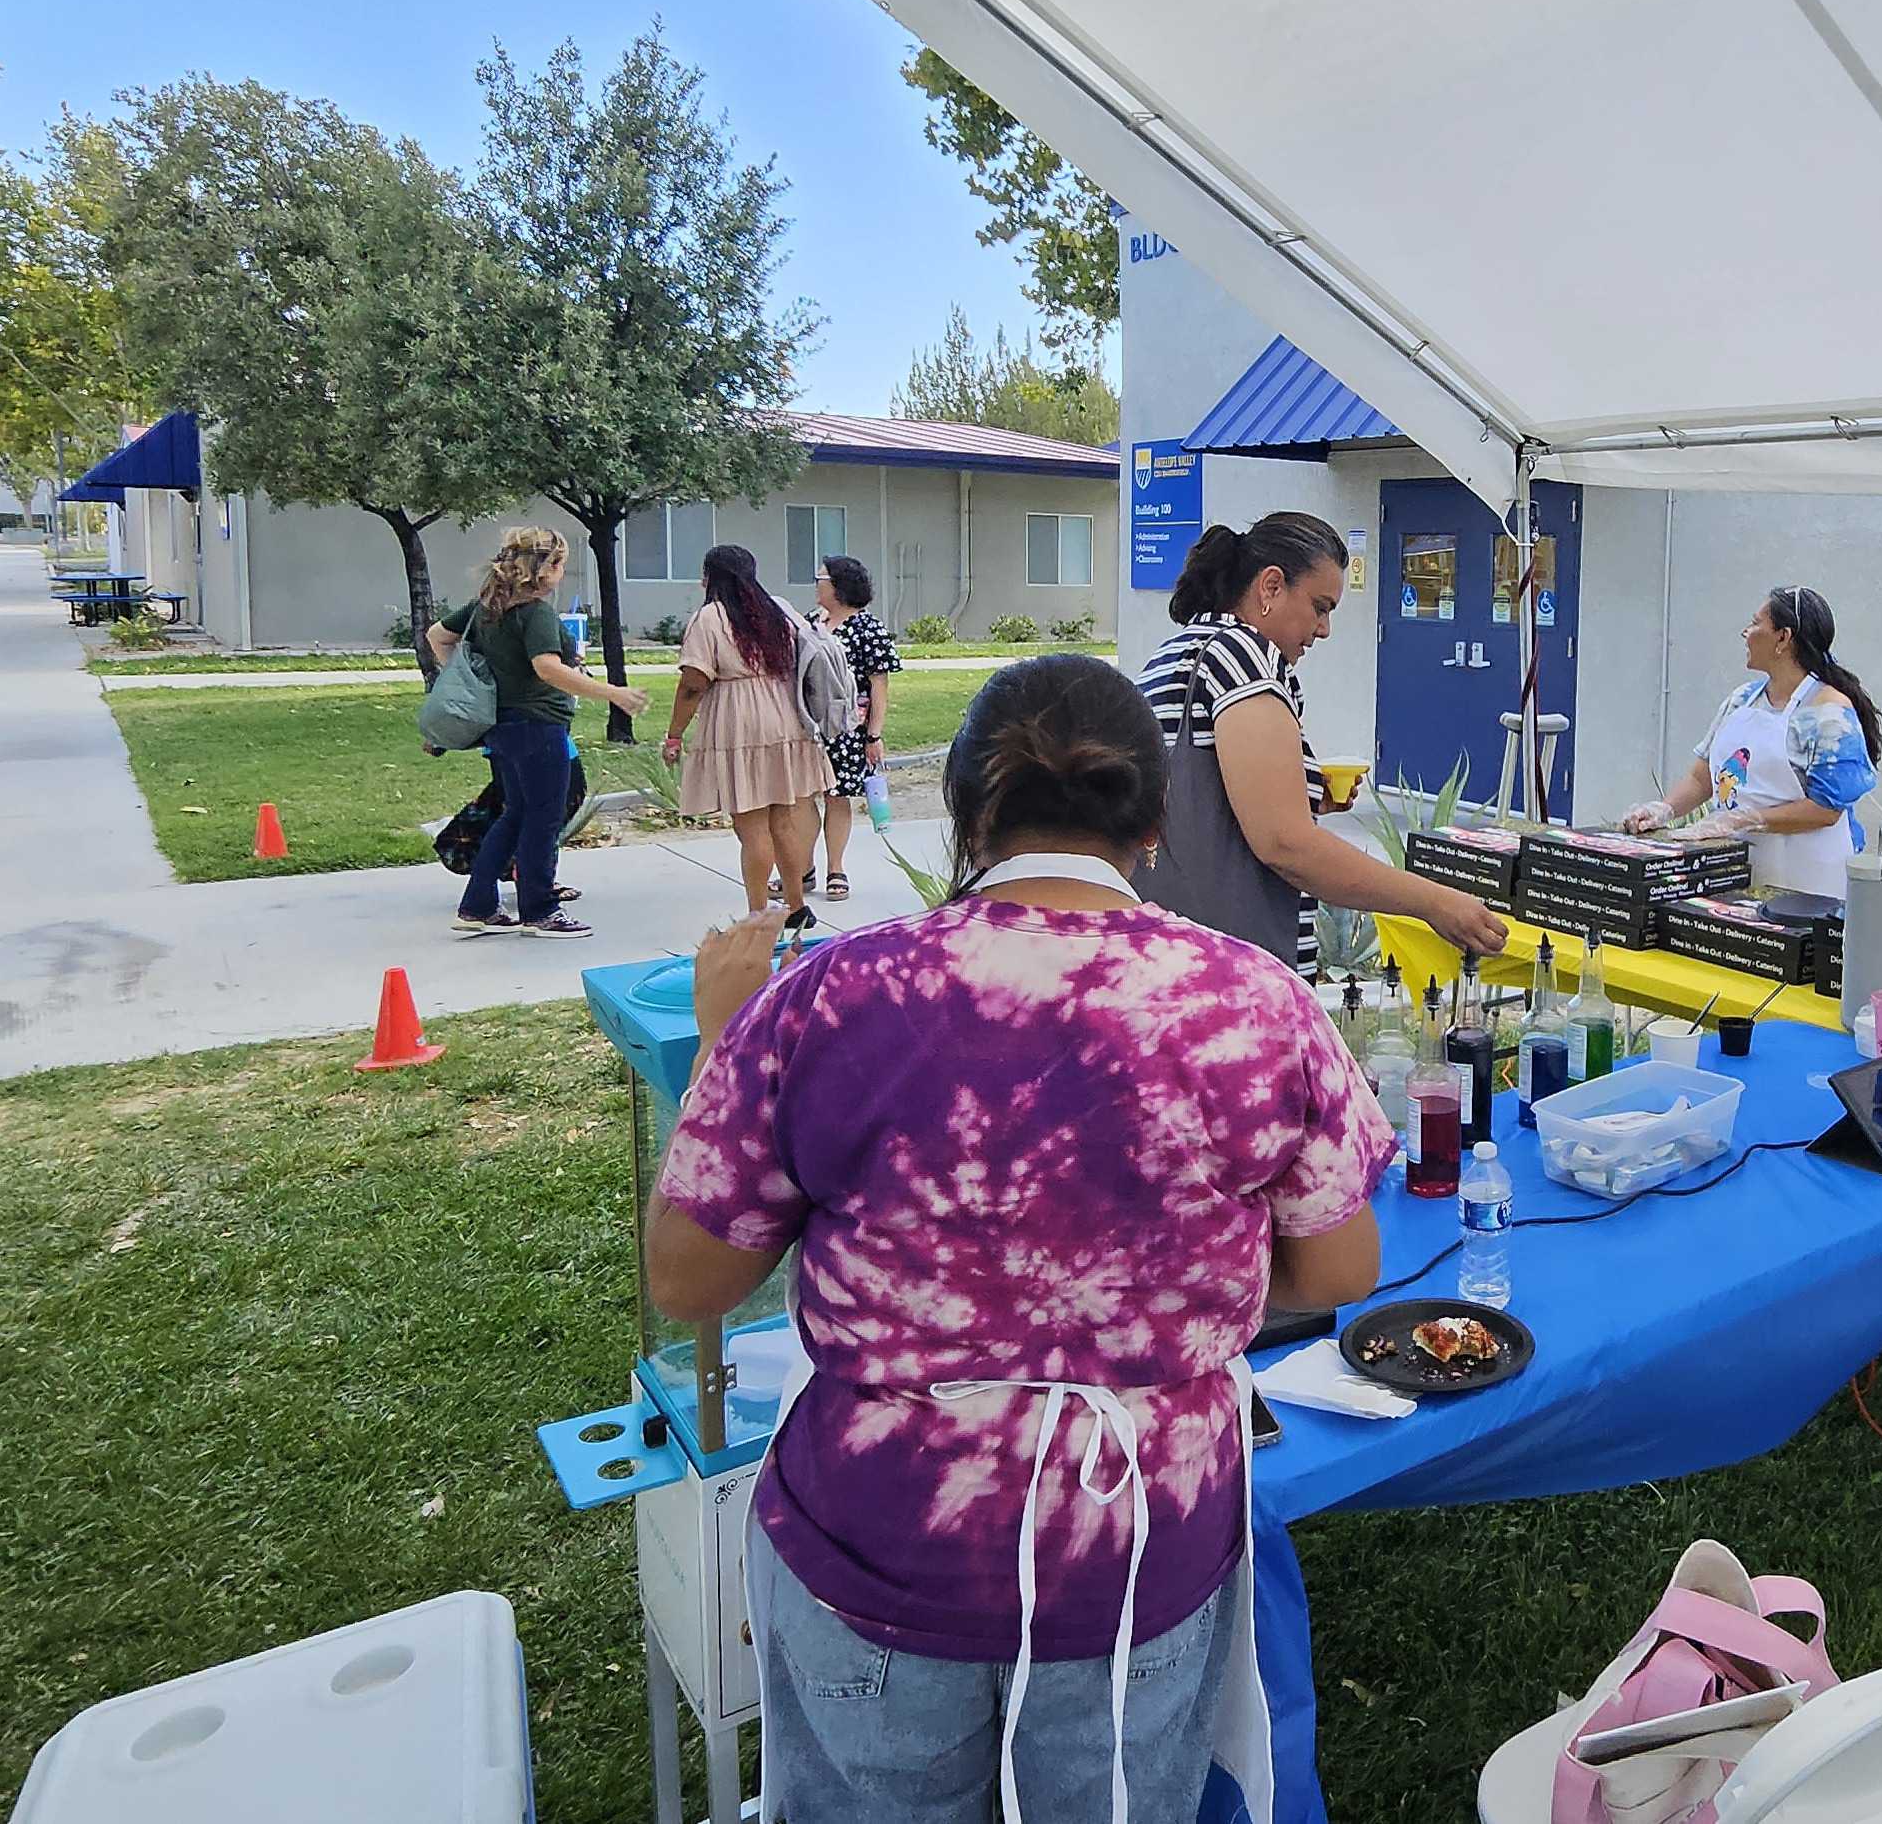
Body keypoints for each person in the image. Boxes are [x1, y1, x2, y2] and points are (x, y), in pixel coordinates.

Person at [645, 654, 1391, 1821]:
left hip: (881, 1540)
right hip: (1140, 1548)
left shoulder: (828, 996)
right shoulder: (1255, 1001)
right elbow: (1339, 1266)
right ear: (1151, 824)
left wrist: (717, 1036)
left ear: (964, 810)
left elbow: (691, 1275)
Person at [1134, 513, 1508, 965]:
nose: (1324, 629)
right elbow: (1286, 844)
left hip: (1174, 950)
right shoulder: (1241, 655)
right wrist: (1435, 903)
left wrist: (1307, 788)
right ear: (1270, 587)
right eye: (1320, 606)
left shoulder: (1182, 650)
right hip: (1232, 967)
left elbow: (1200, 796)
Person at [427, 526, 643, 940]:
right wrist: (612, 692)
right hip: (538, 726)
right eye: (560, 563)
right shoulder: (535, 613)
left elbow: (438, 637)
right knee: (542, 820)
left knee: (514, 815)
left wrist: (479, 677)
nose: (564, 571)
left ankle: (479, 906)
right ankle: (540, 911)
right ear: (544, 569)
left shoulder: (487, 607)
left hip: (501, 726)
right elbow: (547, 667)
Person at [1621, 585, 1882, 901]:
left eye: (1755, 623)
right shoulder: (1741, 700)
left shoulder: (1828, 713)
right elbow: (1701, 777)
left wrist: (1746, 819)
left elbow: (1826, 810)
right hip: (1735, 878)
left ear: (1783, 638)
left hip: (1808, 888)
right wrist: (1664, 809)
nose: (1745, 632)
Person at [660, 544, 839, 917]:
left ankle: (757, 913)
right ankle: (796, 906)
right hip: (785, 717)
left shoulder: (710, 618)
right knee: (784, 820)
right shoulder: (776, 612)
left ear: (711, 577)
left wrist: (675, 733)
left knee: (751, 825)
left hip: (738, 721)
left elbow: (693, 682)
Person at [803, 554, 899, 902]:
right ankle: (801, 868)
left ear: (839, 586)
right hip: (808, 724)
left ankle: (835, 868)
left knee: (837, 796)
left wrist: (874, 734)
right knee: (802, 797)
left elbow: (879, 686)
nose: (816, 584)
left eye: (821, 578)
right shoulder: (810, 624)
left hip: (847, 728)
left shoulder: (868, 629)